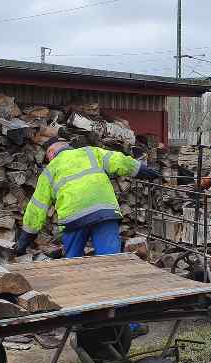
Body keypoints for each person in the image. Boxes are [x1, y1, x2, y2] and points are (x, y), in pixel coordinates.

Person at [16, 137, 160, 337]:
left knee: (73, 269)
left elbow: (37, 207)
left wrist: (25, 239)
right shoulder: (91, 152)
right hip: (104, 213)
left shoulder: (50, 170)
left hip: (74, 219)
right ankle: (128, 325)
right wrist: (140, 169)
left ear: (51, 153)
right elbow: (119, 160)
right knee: (113, 267)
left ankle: (76, 319)